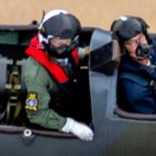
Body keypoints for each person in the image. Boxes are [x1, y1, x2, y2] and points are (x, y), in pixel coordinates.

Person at [14, 10, 95, 139]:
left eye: (68, 41)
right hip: (49, 115)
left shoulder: (63, 49)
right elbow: (37, 115)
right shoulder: (36, 74)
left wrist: (86, 52)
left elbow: (70, 55)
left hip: (69, 97)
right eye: (58, 41)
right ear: (45, 39)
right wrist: (71, 126)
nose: (65, 46)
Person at [110, 15, 156, 113]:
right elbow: (155, 118)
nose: (141, 45)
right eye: (132, 43)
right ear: (123, 49)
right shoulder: (135, 88)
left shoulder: (151, 46)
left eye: (141, 38)